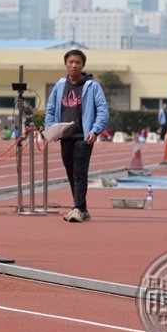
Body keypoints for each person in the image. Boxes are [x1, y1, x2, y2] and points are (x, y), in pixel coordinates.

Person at [45, 49, 109, 223]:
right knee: (71, 172)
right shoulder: (59, 86)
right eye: (71, 62)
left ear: (83, 65)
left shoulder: (92, 86)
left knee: (79, 172)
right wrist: (50, 129)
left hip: (84, 136)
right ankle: (82, 207)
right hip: (65, 136)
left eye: (78, 62)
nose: (74, 65)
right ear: (65, 64)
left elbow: (102, 110)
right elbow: (50, 108)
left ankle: (78, 208)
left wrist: (95, 130)